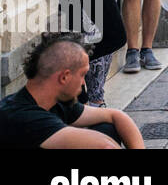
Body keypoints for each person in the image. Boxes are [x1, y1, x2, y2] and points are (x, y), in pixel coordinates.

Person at [0, 33, 143, 149]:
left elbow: (116, 116)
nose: (82, 83)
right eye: (82, 75)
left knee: (107, 128)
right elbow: (103, 145)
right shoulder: (20, 116)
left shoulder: (54, 101)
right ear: (64, 77)